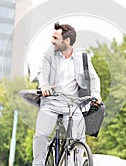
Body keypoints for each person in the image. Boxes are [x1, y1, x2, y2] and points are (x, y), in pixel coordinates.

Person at [32, 22, 102, 165]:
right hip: (51, 102)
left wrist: (96, 94)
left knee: (78, 139)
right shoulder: (49, 55)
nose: (52, 41)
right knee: (41, 136)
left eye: (55, 38)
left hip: (72, 104)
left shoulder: (83, 58)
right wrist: (44, 85)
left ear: (67, 41)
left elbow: (94, 78)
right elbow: (42, 73)